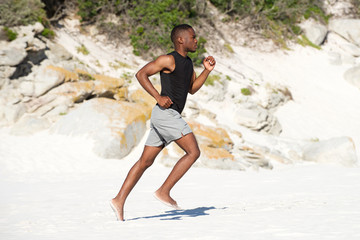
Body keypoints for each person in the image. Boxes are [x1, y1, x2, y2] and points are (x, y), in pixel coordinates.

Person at [110, 24, 216, 221]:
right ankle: (164, 191)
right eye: (193, 37)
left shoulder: (188, 63)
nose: (196, 40)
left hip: (166, 116)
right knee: (193, 152)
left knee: (145, 162)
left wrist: (207, 71)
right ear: (181, 40)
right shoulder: (168, 59)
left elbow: (191, 88)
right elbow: (141, 74)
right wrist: (158, 97)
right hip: (166, 114)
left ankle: (118, 200)